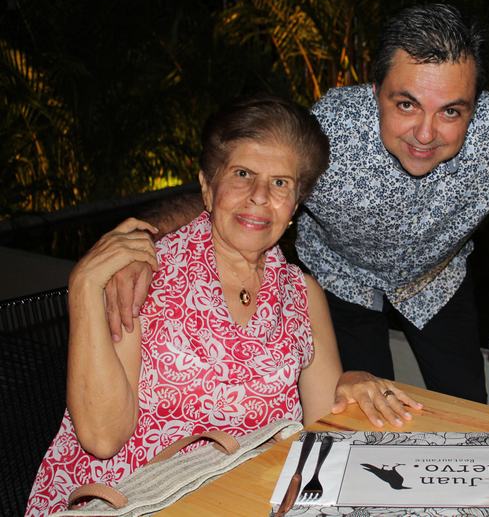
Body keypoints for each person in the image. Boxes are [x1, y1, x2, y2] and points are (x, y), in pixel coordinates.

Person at [107, 4, 489, 405]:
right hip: (343, 282)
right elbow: (234, 187)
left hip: (438, 280)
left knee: (466, 405)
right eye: (406, 104)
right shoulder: (331, 131)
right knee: (363, 407)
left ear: (476, 104)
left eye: (451, 110)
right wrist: (138, 238)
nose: (426, 132)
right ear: (375, 90)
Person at [25, 95, 421, 516]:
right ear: (207, 188)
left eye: (281, 183)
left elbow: (320, 430)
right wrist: (84, 285)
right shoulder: (142, 276)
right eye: (243, 174)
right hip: (128, 502)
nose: (259, 196)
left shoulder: (301, 294)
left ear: (294, 207)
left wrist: (350, 379)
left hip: (240, 501)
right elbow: (102, 438)